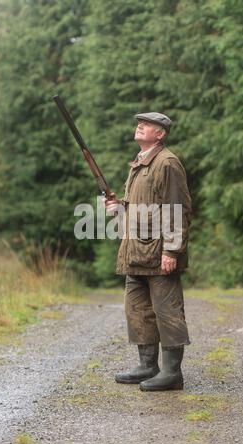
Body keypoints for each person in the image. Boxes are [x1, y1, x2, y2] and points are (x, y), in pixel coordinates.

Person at [104, 112, 192, 391]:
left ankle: (172, 373)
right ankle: (147, 366)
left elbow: (178, 208)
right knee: (138, 311)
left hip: (158, 254)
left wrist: (172, 251)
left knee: (168, 312)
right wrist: (118, 209)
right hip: (135, 252)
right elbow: (141, 210)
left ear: (161, 134)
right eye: (138, 123)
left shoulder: (167, 163)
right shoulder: (139, 164)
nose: (139, 126)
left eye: (148, 125)